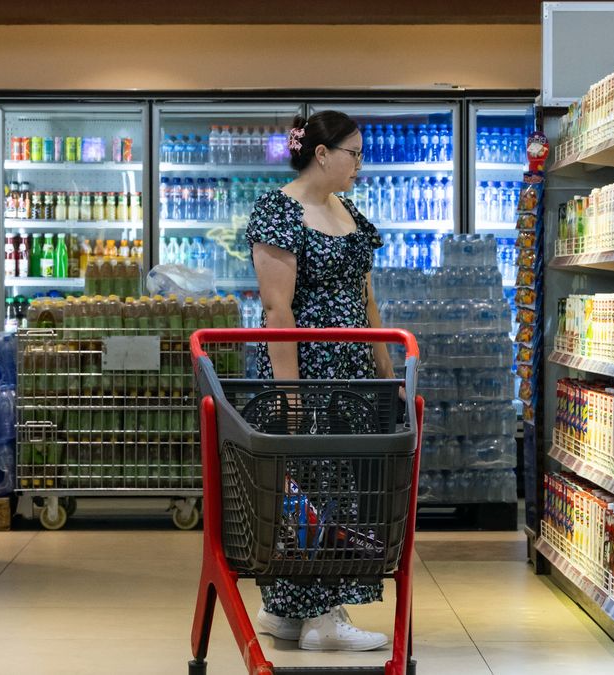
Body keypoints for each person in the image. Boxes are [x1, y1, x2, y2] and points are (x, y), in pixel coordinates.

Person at [245, 110, 393, 652]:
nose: (360, 164)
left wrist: (385, 372)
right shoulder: (279, 213)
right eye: (353, 153)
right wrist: (290, 396)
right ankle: (320, 616)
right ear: (322, 153)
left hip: (351, 378)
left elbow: (366, 299)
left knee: (344, 487)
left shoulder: (348, 211)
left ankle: (288, 611)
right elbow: (277, 310)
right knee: (306, 488)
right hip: (306, 374)